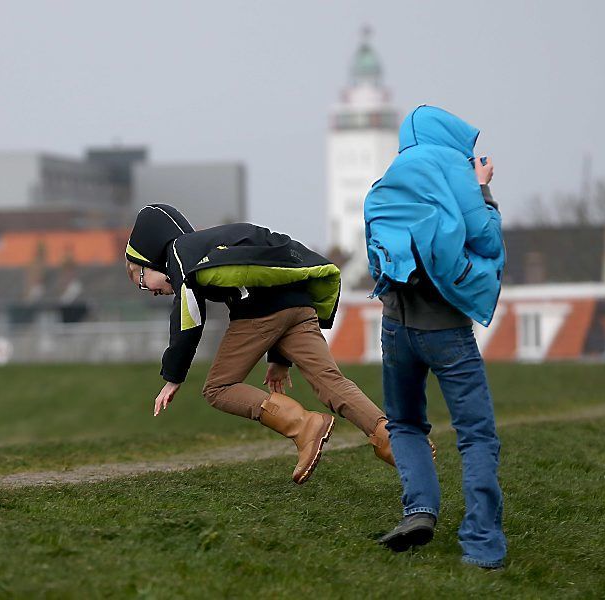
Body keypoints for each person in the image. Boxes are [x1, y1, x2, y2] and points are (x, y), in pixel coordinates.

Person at [125, 204, 396, 485]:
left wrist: (173, 376)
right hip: (300, 305)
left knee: (218, 388)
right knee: (329, 380)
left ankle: (303, 426)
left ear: (151, 258)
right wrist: (279, 359)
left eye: (142, 280)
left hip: (261, 313)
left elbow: (189, 316)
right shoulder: (209, 243)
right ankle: (390, 438)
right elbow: (270, 278)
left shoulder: (179, 253)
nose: (151, 291)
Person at [365, 105, 506, 569]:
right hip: (445, 328)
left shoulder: (394, 171)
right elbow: (485, 239)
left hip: (395, 324)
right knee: (476, 434)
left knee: (404, 423)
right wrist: (483, 189)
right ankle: (482, 543)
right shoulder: (453, 167)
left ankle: (419, 509)